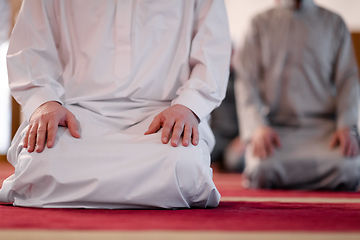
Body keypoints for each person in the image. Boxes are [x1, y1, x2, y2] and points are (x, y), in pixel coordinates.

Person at [0, 0, 231, 208]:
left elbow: (213, 51)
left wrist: (188, 107)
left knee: (184, 166)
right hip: (74, 117)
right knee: (40, 162)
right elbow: (29, 47)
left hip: (164, 117)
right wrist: (45, 103)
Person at [235, 0, 360, 190]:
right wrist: (258, 128)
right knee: (261, 169)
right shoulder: (259, 24)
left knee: (351, 168)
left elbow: (348, 80)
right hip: (276, 133)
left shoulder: (334, 23)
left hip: (324, 132)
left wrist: (346, 126)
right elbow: (245, 81)